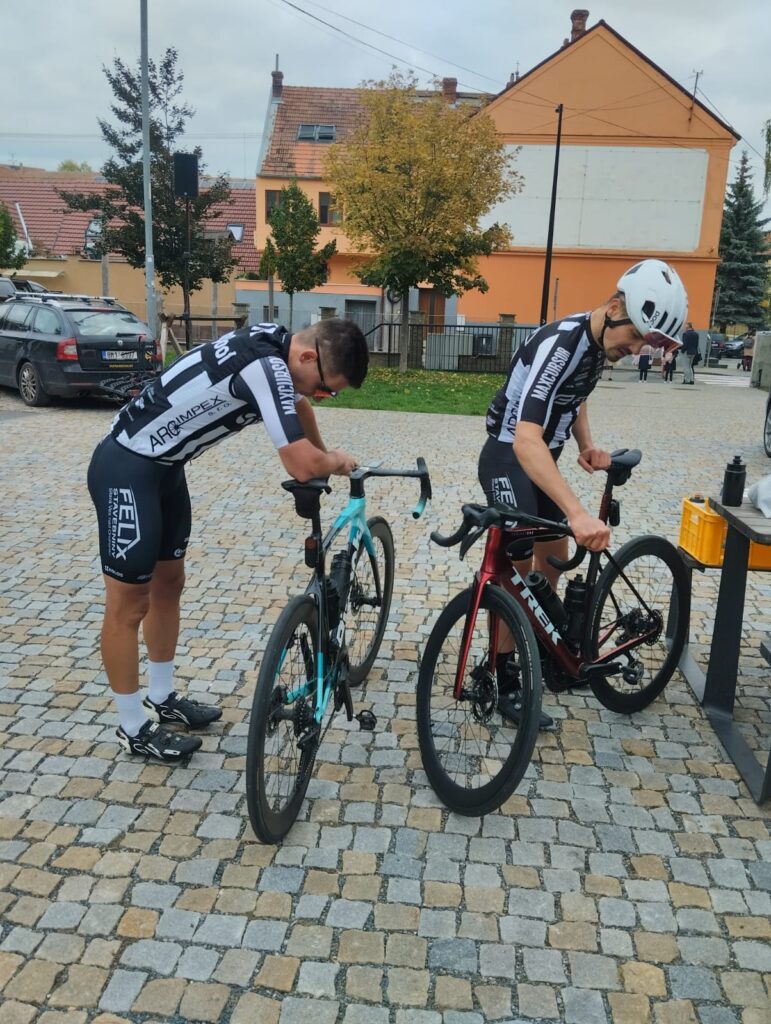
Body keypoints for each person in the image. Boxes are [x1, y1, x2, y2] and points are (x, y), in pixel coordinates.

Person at [88, 318, 369, 763]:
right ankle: (133, 727)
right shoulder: (266, 367)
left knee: (169, 584)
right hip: (128, 466)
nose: (320, 396)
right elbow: (299, 464)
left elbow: (300, 409)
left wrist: (321, 454)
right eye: (325, 388)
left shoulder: (278, 343)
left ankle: (161, 697)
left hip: (166, 469)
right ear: (307, 356)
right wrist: (331, 460)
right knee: (129, 604)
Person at [479, 258, 687, 729]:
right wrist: (576, 511)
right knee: (515, 574)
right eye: (634, 338)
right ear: (614, 308)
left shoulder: (597, 345)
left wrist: (586, 445)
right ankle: (504, 676)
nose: (635, 351)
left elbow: (576, 396)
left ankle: (549, 650)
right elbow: (525, 439)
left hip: (542, 457)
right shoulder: (563, 343)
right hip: (509, 455)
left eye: (644, 344)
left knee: (553, 559)